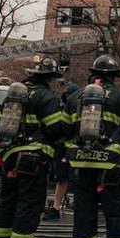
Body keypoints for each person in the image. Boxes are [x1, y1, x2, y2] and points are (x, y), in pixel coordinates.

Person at [63, 55, 120, 238]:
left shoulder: (75, 98)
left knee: (84, 209)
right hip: (111, 164)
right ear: (113, 77)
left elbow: (64, 130)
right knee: (116, 209)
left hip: (81, 164)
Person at [0, 58, 65, 238]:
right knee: (29, 201)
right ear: (50, 78)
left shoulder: (15, 94)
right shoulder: (47, 97)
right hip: (33, 158)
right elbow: (54, 129)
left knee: (7, 200)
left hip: (10, 155)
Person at [43, 82, 80, 221]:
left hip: (68, 148)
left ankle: (58, 207)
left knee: (69, 179)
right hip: (67, 148)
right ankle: (56, 207)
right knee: (63, 179)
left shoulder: (67, 108)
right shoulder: (69, 107)